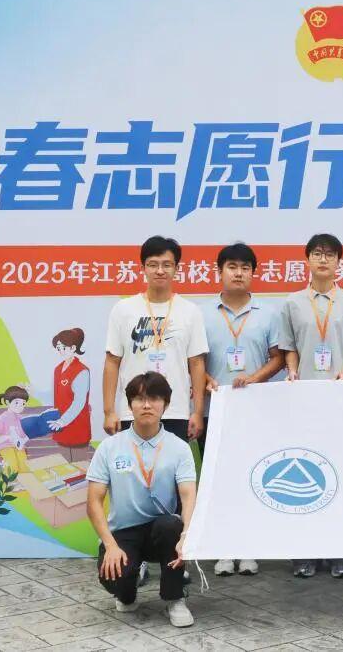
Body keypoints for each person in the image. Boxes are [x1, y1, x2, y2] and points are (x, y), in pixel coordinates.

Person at [103, 236, 208, 585]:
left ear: (177, 268)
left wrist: (196, 411)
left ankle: (175, 558)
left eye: (166, 264)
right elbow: (112, 361)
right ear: (143, 268)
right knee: (129, 486)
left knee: (174, 487)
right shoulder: (124, 310)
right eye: (153, 264)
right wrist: (109, 409)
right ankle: (136, 556)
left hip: (174, 411)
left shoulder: (190, 312)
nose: (160, 270)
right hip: (133, 412)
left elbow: (196, 364)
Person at [279, 233, 343, 578]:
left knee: (341, 474)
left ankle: (341, 551)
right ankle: (306, 550)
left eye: (330, 254)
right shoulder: (293, 303)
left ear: (339, 261)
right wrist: (292, 371)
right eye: (317, 253)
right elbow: (289, 347)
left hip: (341, 400)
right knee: (308, 476)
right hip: (305, 401)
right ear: (308, 260)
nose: (323, 260)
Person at [86, 372, 197, 628]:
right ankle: (127, 591)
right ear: (130, 405)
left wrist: (186, 536)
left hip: (162, 530)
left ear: (165, 404)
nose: (147, 405)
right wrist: (110, 545)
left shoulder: (179, 447)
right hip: (123, 532)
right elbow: (93, 502)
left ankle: (175, 598)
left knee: (172, 526)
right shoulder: (109, 447)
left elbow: (188, 495)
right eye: (139, 399)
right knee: (116, 579)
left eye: (154, 398)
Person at [201, 242, 284, 577]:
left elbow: (278, 358)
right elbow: (194, 360)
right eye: (232, 267)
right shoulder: (202, 314)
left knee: (253, 478)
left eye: (245, 268)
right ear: (219, 271)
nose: (238, 273)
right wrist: (206, 380)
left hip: (255, 411)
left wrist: (254, 378)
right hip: (214, 411)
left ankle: (249, 547)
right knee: (218, 481)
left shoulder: (269, 314)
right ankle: (222, 548)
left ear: (253, 273)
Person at [47, 328, 93, 453]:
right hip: (60, 428)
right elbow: (55, 395)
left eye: (63, 347)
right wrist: (31, 391)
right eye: (58, 348)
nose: (60, 351)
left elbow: (79, 402)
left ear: (73, 348)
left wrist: (63, 421)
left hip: (77, 428)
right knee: (62, 463)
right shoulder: (58, 369)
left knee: (80, 463)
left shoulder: (82, 371)